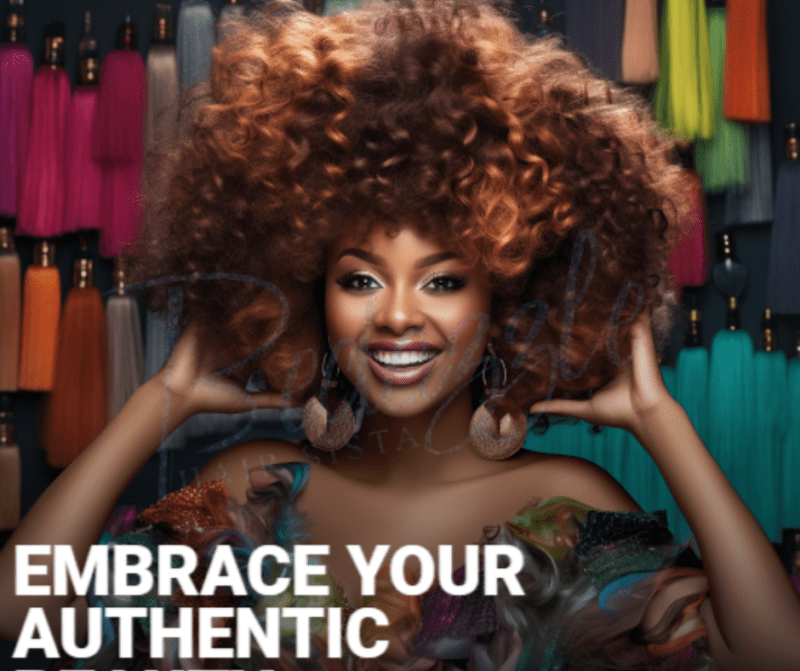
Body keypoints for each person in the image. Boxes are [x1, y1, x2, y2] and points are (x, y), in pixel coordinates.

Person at [2, 1, 799, 669]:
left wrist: (663, 425)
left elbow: (769, 653)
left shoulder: (565, 509)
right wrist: (158, 401)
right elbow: (21, 608)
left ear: (512, 294)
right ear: (311, 292)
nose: (395, 315)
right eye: (360, 279)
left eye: (444, 280)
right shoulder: (249, 489)